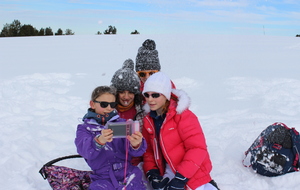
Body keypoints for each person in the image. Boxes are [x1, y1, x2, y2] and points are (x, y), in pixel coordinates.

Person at [141, 72, 220, 190]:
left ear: (166, 95)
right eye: (147, 95)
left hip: (191, 173)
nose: (150, 99)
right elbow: (149, 152)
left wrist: (180, 178)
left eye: (155, 95)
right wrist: (152, 174)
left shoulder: (183, 116)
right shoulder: (149, 120)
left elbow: (197, 148)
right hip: (168, 172)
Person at [75, 86, 147, 190]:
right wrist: (99, 141)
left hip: (128, 172)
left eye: (112, 104)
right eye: (104, 104)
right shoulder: (85, 128)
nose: (109, 108)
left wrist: (136, 144)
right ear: (92, 104)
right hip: (102, 177)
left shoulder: (122, 124)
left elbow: (136, 153)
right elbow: (85, 151)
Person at [110, 58, 145, 166]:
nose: (126, 97)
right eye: (121, 92)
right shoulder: (108, 110)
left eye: (130, 92)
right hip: (112, 161)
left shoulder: (143, 111)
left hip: (136, 161)